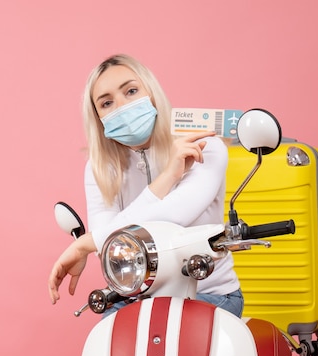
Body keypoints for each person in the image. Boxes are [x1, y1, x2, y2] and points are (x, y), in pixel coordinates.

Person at [47, 53, 243, 317]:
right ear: (98, 117)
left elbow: (177, 216)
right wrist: (168, 178)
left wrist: (85, 243)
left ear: (150, 92)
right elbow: (112, 246)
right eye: (106, 103)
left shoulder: (204, 145)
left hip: (207, 293)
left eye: (131, 91)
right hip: (134, 298)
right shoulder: (100, 167)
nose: (122, 106)